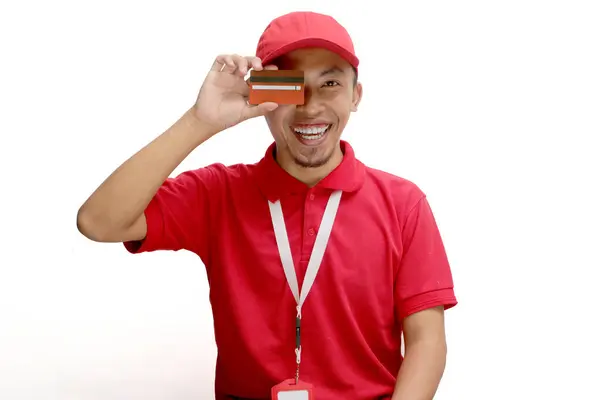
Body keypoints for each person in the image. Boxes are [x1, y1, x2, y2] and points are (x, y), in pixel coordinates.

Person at [77, 10, 457, 400]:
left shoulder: (403, 204)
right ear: (262, 93)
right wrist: (200, 121)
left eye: (330, 83)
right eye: (290, 86)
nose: (310, 107)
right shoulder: (218, 194)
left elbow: (427, 341)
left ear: (355, 95)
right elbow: (99, 221)